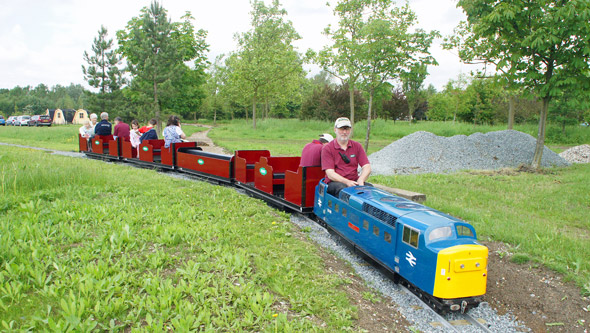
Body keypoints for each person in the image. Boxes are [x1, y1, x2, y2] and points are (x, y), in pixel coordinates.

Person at [321, 117, 371, 196]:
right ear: (335, 130)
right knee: (345, 192)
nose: (344, 132)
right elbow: (330, 173)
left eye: (347, 129)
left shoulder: (357, 146)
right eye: (341, 129)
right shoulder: (328, 148)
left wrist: (361, 179)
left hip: (354, 181)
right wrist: (347, 182)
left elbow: (366, 166)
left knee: (371, 190)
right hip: (335, 183)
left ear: (350, 130)